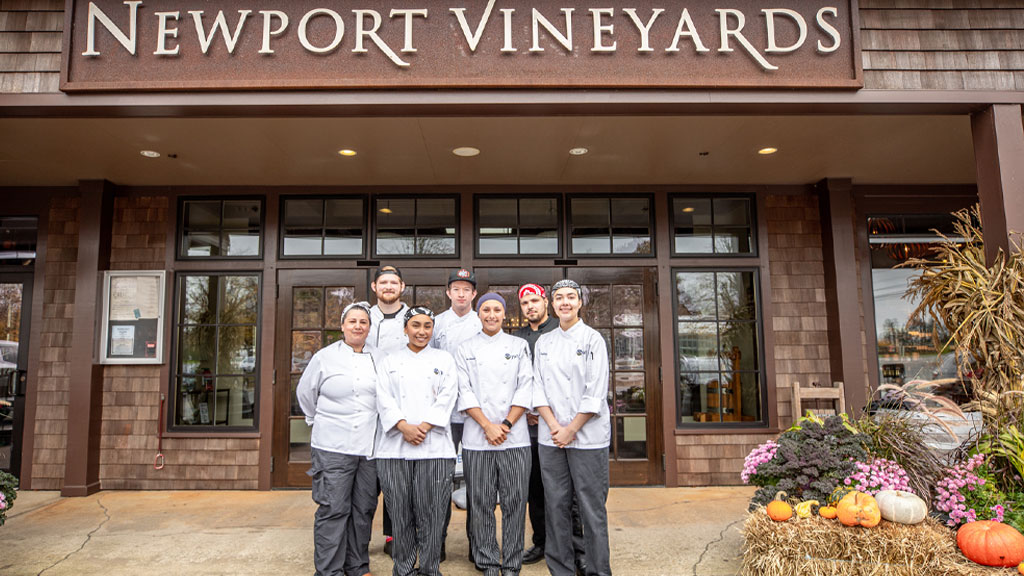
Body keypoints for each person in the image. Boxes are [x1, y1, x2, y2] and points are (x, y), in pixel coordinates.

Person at [533, 279, 612, 576]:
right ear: (552, 305)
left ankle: (597, 571)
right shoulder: (544, 342)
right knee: (555, 506)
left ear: (580, 303)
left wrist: (571, 429)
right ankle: (561, 570)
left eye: (570, 297)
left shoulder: (592, 340)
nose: (564, 302)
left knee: (591, 509)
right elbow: (537, 388)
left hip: (588, 438)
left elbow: (595, 392)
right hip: (551, 437)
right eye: (559, 298)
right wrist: (555, 426)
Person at [296, 301, 380, 576]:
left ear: (369, 327)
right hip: (332, 444)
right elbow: (306, 395)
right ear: (343, 326)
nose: (358, 326)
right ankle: (329, 571)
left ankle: (357, 566)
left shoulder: (379, 357)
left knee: (363, 509)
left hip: (369, 447)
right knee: (333, 509)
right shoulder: (324, 357)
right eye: (352, 321)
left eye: (363, 322)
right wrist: (317, 420)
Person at [376, 306, 459, 576]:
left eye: (427, 326)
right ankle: (403, 568)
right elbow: (383, 397)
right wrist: (403, 426)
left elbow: (448, 396)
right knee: (400, 513)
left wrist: (422, 426)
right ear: (405, 329)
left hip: (434, 446)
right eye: (415, 325)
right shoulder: (390, 361)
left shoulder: (444, 359)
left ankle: (430, 568)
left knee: (433, 515)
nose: (421, 331)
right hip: (394, 449)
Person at [455, 292, 533, 576]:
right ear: (478, 314)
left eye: (496, 309)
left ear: (504, 314)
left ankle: (511, 562)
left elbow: (526, 387)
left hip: (515, 439)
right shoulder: (465, 348)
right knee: (481, 503)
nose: (491, 314)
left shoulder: (519, 345)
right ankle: (487, 560)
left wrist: (506, 424)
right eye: (485, 309)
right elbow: (464, 391)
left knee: (514, 502)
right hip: (478, 439)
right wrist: (487, 425)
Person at [514, 283, 588, 575]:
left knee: (567, 494)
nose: (531, 306)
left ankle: (576, 548)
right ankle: (542, 542)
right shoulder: (518, 339)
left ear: (546, 302)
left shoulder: (563, 333)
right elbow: (521, 380)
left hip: (563, 425)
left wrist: (551, 418)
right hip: (530, 425)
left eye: (535, 300)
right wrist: (529, 411)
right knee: (536, 488)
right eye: (525, 303)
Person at [430, 268, 481, 563]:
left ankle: (479, 546)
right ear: (448, 292)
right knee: (440, 481)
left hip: (475, 415)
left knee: (478, 482)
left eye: (467, 289)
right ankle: (437, 544)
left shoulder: (482, 321)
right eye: (456, 288)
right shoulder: (437, 324)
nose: (461, 293)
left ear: (473, 294)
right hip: (444, 416)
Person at [367, 265, 408, 555]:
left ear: (402, 287)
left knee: (397, 476)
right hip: (368, 405)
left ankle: (395, 535)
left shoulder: (413, 317)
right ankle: (358, 538)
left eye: (394, 282)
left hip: (403, 402)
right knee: (369, 479)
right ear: (375, 287)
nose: (389, 286)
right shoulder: (362, 316)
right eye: (384, 282)